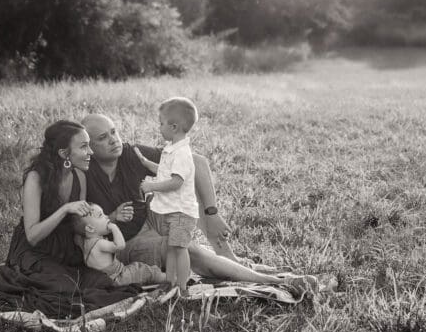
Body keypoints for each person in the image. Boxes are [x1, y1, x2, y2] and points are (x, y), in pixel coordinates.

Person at [81, 113, 320, 291]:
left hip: (150, 218)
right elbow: (79, 226)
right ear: (89, 147)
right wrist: (111, 218)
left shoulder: (130, 153)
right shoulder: (83, 174)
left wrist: (212, 213)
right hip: (127, 242)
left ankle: (227, 257)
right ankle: (277, 282)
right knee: (184, 247)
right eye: (103, 137)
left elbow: (198, 163)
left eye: (114, 131)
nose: (114, 140)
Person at [5, 119, 96, 272]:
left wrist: (107, 222)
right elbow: (32, 237)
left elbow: (78, 223)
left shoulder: (80, 176)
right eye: (84, 147)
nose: (91, 152)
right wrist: (65, 209)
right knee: (57, 285)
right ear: (64, 153)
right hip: (36, 252)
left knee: (95, 281)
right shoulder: (36, 178)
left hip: (66, 248)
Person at [135, 96, 200, 294]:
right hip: (173, 211)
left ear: (174, 127)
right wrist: (146, 163)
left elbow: (176, 182)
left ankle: (182, 287)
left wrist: (151, 187)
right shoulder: (172, 149)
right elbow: (165, 171)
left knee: (180, 249)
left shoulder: (182, 153)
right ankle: (169, 281)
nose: (159, 127)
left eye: (161, 123)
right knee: (172, 248)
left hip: (181, 212)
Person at [72, 203, 166, 286]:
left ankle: (160, 277)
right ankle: (169, 278)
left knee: (138, 267)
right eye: (101, 215)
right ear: (90, 228)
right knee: (144, 271)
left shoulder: (86, 244)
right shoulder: (99, 244)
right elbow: (120, 246)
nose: (106, 217)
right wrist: (114, 227)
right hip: (119, 277)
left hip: (112, 277)